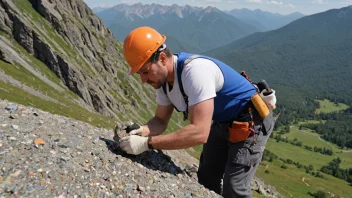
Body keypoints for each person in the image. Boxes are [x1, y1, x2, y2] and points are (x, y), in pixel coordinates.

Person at [119, 26, 276, 198]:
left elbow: (200, 133)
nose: (143, 80)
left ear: (162, 58)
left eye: (145, 71)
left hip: (251, 122)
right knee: (207, 177)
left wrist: (146, 144)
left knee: (235, 188)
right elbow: (160, 120)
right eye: (140, 74)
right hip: (224, 121)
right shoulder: (162, 82)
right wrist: (141, 130)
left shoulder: (194, 72)